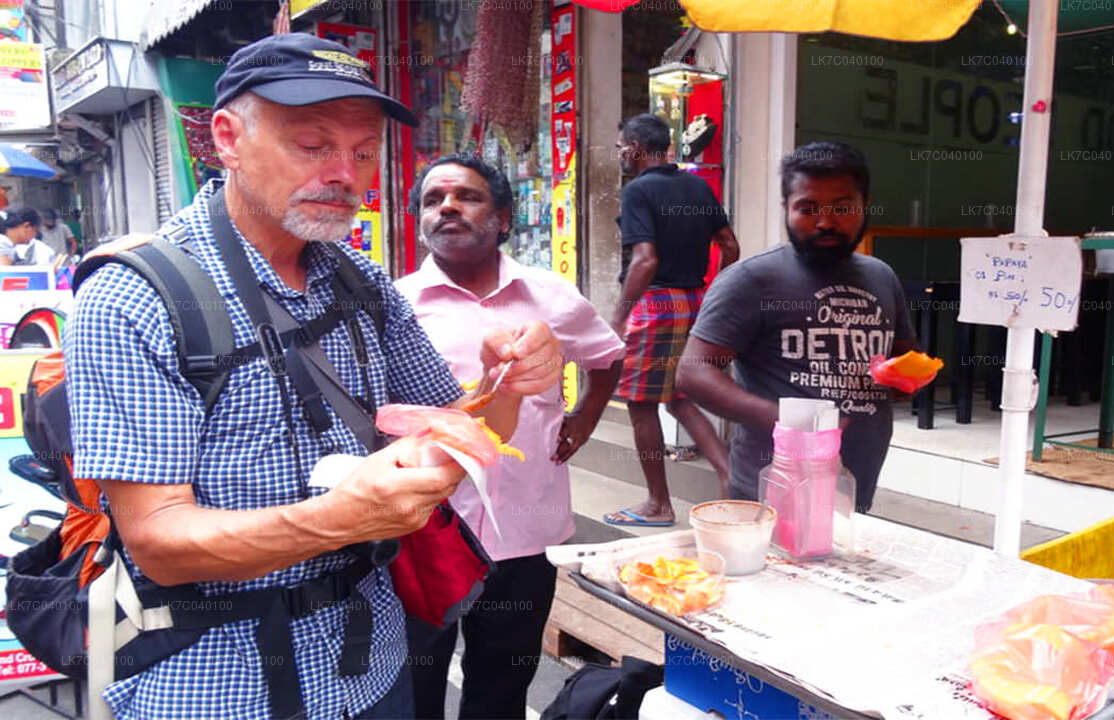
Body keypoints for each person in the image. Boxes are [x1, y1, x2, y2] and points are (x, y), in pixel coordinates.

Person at [63, 33, 561, 719]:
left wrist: (509, 380)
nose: (345, 174)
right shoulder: (136, 298)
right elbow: (159, 544)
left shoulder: (362, 283)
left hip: (374, 667)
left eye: (363, 152)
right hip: (215, 685)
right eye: (312, 144)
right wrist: (337, 519)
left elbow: (461, 436)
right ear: (228, 137)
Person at [395, 153, 624, 719]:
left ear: (501, 218)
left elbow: (607, 356)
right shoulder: (393, 304)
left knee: (502, 685)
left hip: (526, 531)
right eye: (432, 199)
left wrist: (585, 417)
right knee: (414, 687)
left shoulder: (549, 296)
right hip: (424, 531)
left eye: (466, 196)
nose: (446, 206)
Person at [676, 141, 917, 512]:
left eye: (842, 208)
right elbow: (693, 373)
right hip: (772, 486)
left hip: (855, 481)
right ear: (786, 209)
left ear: (864, 207)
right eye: (808, 208)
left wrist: (906, 378)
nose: (825, 221)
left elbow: (901, 361)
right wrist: (789, 420)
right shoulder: (751, 280)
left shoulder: (882, 277)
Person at [605, 113, 738, 527]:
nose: (621, 154)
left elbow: (645, 261)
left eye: (622, 146)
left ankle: (658, 505)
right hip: (696, 301)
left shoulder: (638, 191)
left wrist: (620, 318)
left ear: (637, 148)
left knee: (641, 404)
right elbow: (730, 246)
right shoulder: (698, 185)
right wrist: (714, 292)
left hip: (657, 303)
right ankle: (734, 480)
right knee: (680, 399)